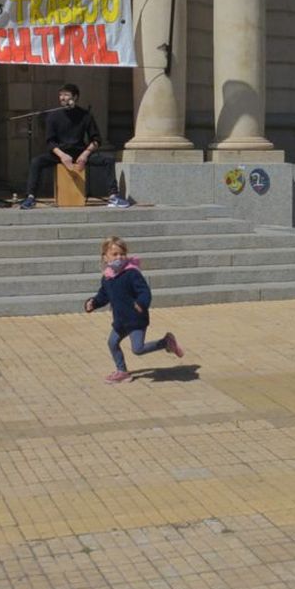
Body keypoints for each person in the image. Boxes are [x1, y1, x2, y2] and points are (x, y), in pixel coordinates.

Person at [84, 236, 183, 383]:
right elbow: (103, 296)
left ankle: (165, 342)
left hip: (136, 318)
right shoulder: (107, 277)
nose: (119, 257)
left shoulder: (132, 273)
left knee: (138, 349)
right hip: (120, 320)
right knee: (112, 343)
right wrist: (93, 303)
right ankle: (122, 371)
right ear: (105, 258)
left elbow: (144, 291)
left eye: (122, 254)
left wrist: (141, 303)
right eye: (115, 254)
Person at [21, 83, 128, 209]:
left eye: (66, 95)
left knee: (108, 160)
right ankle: (30, 197)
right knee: (36, 162)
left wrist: (85, 154)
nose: (62, 98)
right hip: (59, 153)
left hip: (80, 153)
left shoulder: (85, 115)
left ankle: (113, 196)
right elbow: (50, 141)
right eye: (60, 95)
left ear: (75, 97)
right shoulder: (53, 116)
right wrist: (62, 156)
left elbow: (96, 139)